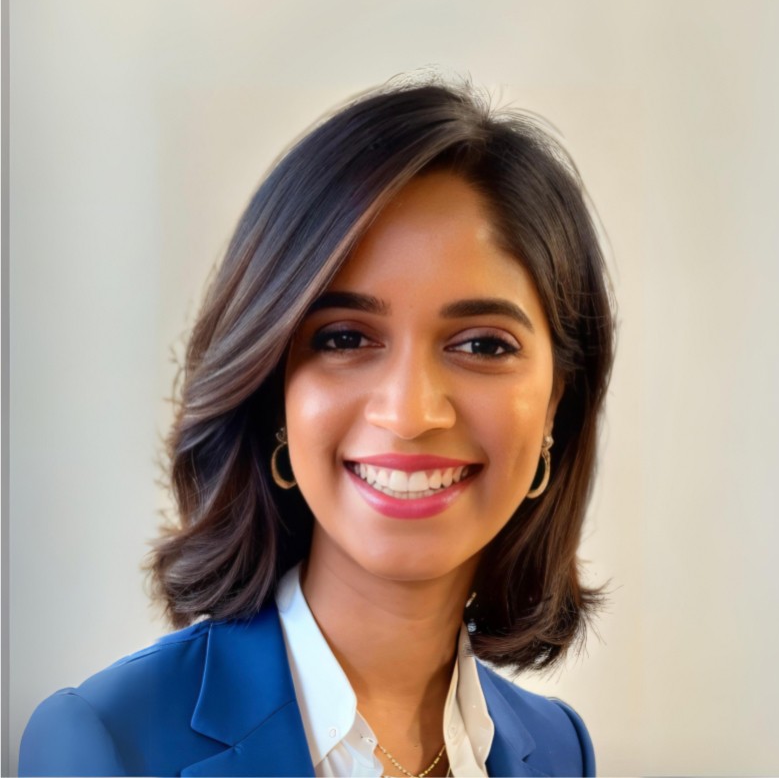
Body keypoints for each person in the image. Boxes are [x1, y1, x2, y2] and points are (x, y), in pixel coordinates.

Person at [19, 76, 614, 777]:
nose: (409, 413)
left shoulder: (558, 750)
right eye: (344, 338)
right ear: (273, 386)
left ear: (556, 403)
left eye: (482, 344)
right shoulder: (108, 743)